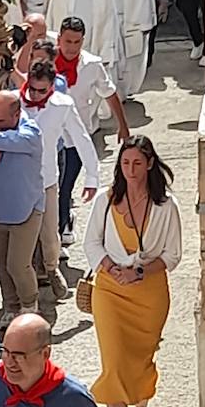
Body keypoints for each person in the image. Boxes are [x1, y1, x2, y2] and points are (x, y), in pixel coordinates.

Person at [84, 137, 182, 407]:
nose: (131, 170)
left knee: (140, 358)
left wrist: (139, 272)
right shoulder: (106, 200)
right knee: (114, 361)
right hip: (109, 290)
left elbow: (172, 254)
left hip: (149, 292)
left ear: (150, 164)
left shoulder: (166, 206)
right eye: (125, 163)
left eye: (137, 163)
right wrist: (112, 268)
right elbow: (91, 243)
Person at [20, 60, 98, 301]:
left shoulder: (63, 105)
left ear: (52, 87)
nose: (34, 94)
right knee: (21, 234)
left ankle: (52, 268)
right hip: (19, 181)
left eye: (41, 90)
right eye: (31, 88)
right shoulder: (15, 101)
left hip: (47, 178)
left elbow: (80, 137)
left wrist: (92, 176)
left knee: (50, 232)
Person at [54, 18, 130, 245]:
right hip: (53, 134)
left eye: (77, 42)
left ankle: (62, 225)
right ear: (59, 39)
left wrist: (123, 125)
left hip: (78, 135)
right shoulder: (46, 59)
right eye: (67, 41)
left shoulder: (92, 65)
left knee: (66, 185)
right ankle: (59, 226)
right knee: (54, 184)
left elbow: (109, 93)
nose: (71, 47)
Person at [0, 91, 44, 321]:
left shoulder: (30, 134)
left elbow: (4, 141)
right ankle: (11, 305)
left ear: (17, 115)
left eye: (1, 121)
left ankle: (29, 305)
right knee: (0, 264)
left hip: (25, 209)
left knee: (18, 265)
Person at [94, 0, 157, 99]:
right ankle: (115, 92)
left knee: (133, 59)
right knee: (112, 57)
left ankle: (128, 90)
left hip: (132, 19)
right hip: (109, 20)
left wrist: (145, 22)